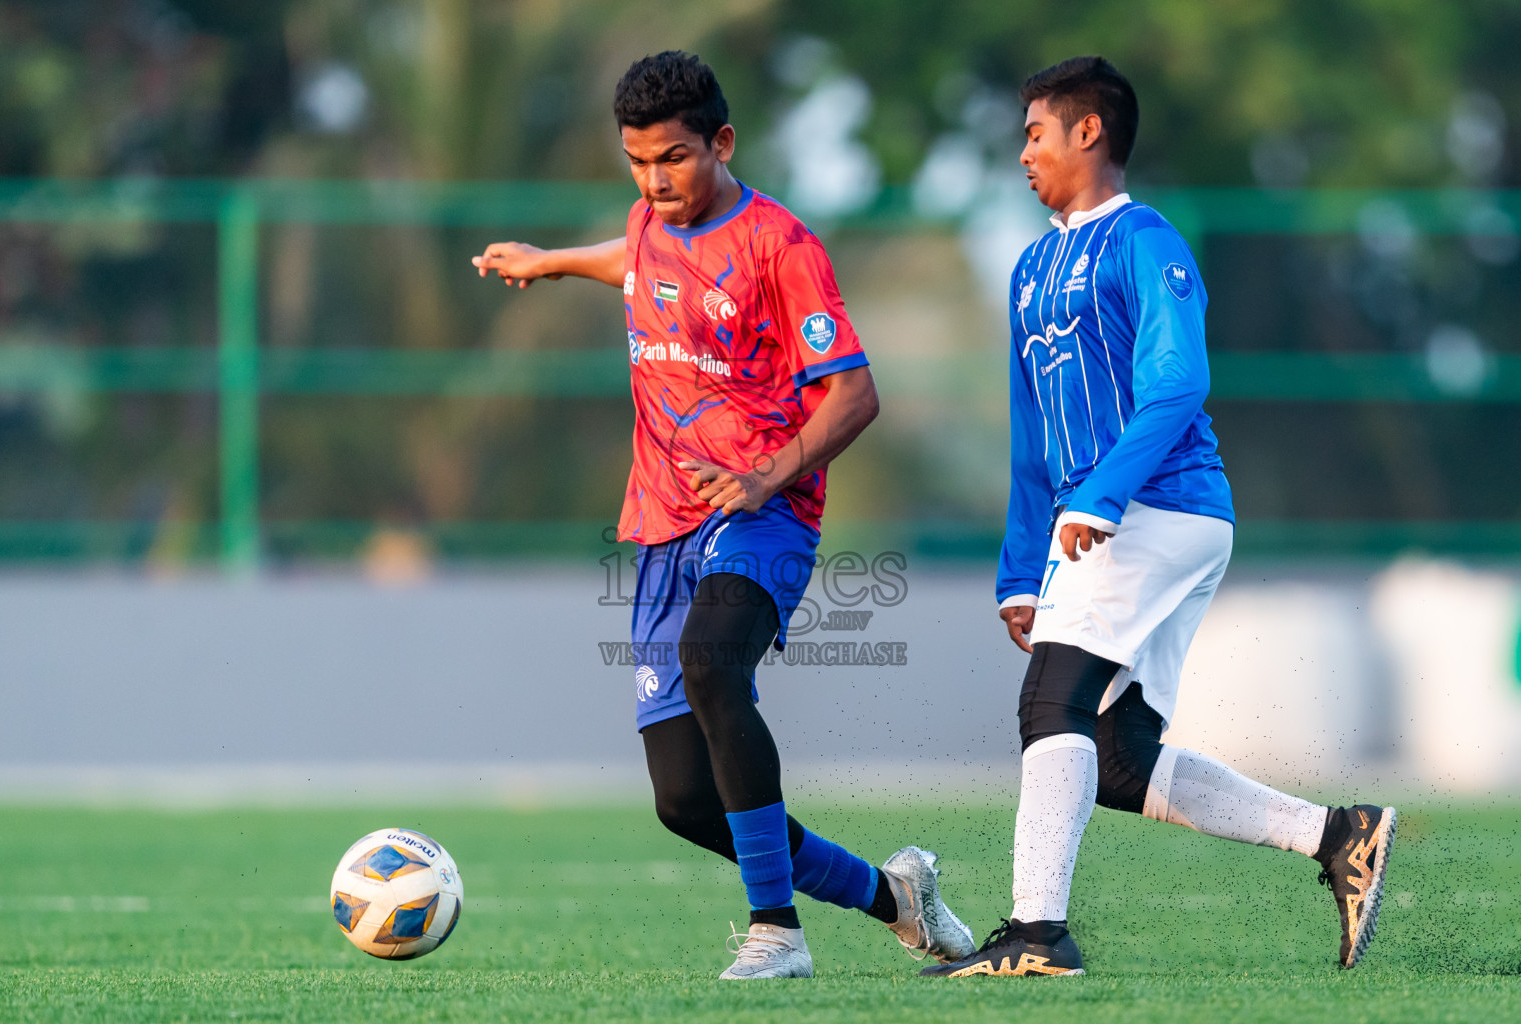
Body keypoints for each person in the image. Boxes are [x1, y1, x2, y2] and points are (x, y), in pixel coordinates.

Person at [472, 50, 974, 980]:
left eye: (674, 158)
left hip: (764, 516)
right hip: (661, 524)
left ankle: (777, 932)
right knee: (685, 803)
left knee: (712, 664)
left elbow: (856, 394)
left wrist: (767, 476)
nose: (655, 181)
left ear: (723, 142)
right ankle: (891, 897)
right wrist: (552, 263)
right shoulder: (649, 219)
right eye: (638, 161)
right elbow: (640, 259)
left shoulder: (783, 248)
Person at [924, 56, 1395, 979]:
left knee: (1048, 703)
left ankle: (1036, 935)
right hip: (1102, 521)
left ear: (1088, 132)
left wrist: (1103, 494)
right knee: (1119, 756)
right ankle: (1340, 835)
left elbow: (1179, 382)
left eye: (1034, 133)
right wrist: (1020, 571)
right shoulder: (1029, 270)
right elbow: (1032, 436)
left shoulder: (1147, 242)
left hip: (1161, 506)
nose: (1022, 153)